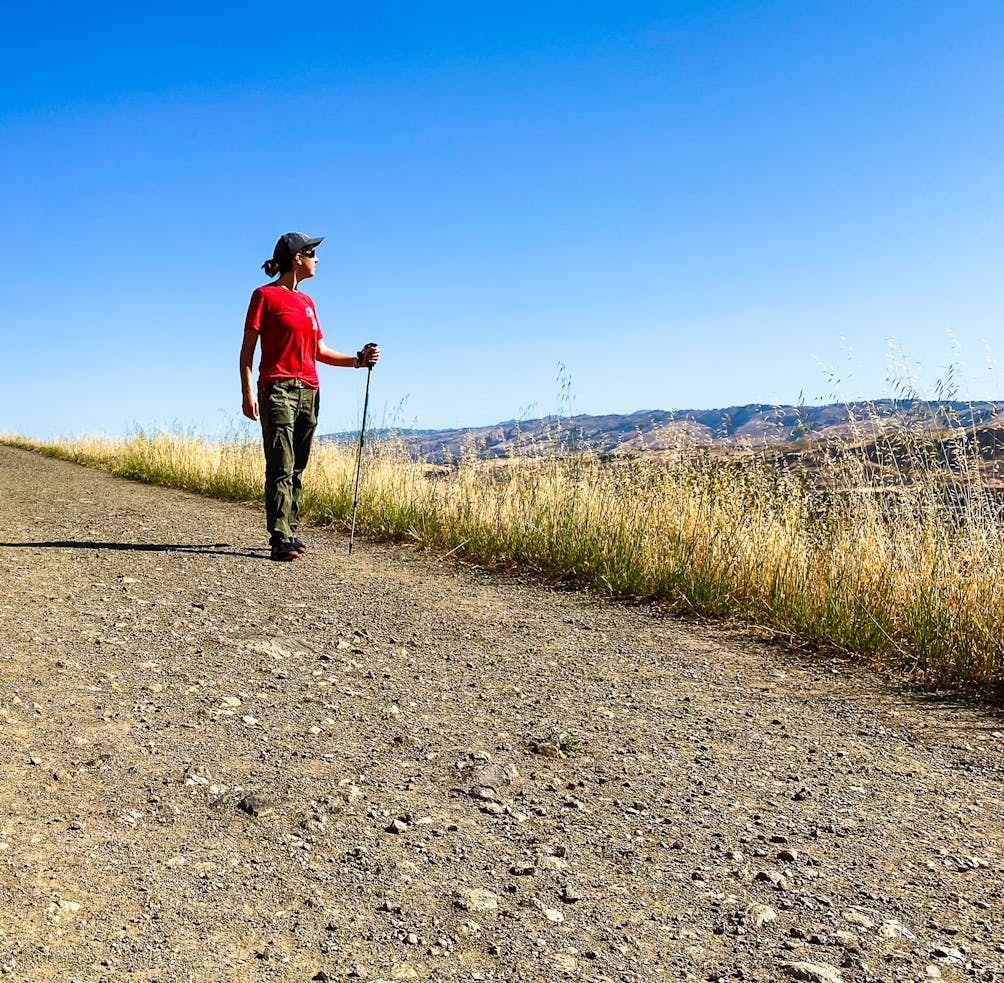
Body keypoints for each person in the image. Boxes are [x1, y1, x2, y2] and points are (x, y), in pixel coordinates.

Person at [240, 232, 379, 561]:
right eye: (311, 252)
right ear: (296, 258)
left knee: (297, 465)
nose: (317, 259)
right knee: (280, 464)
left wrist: (359, 360)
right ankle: (279, 537)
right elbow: (247, 353)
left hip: (309, 390)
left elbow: (321, 351)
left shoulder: (307, 303)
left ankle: (290, 527)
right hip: (276, 388)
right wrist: (248, 392)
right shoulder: (264, 296)